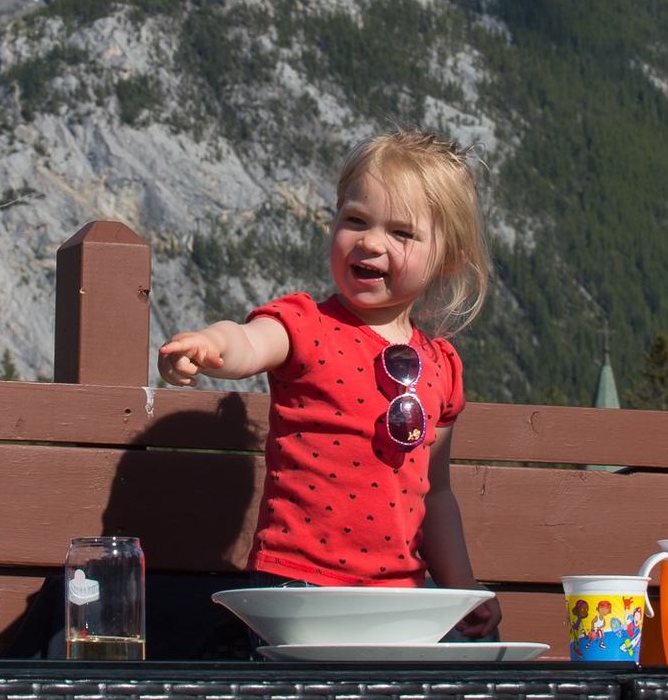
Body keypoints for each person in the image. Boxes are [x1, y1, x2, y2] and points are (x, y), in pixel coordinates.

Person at [157, 130, 501, 638]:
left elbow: (437, 493)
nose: (370, 242)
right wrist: (211, 346)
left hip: (400, 596)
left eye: (402, 234)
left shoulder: (442, 365)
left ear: (447, 259)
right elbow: (250, 341)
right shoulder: (305, 324)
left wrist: (461, 586)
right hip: (299, 587)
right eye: (355, 220)